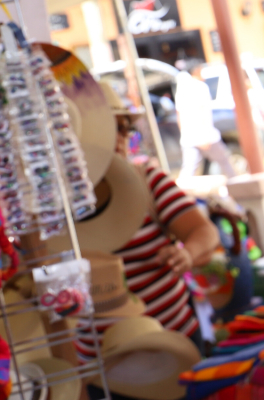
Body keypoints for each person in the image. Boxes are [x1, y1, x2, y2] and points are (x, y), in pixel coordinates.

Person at [78, 84, 221, 365]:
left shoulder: (147, 181)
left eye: (124, 128)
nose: (121, 137)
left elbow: (204, 231)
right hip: (102, 363)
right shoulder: (53, 207)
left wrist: (186, 253)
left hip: (172, 341)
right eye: (111, 127)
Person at [174, 61, 237, 177]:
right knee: (225, 163)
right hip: (205, 136)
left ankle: (180, 193)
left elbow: (179, 114)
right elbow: (203, 112)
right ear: (197, 70)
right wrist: (204, 136)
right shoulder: (200, 87)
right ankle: (238, 189)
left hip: (189, 136)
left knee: (189, 169)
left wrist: (184, 132)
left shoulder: (182, 89)